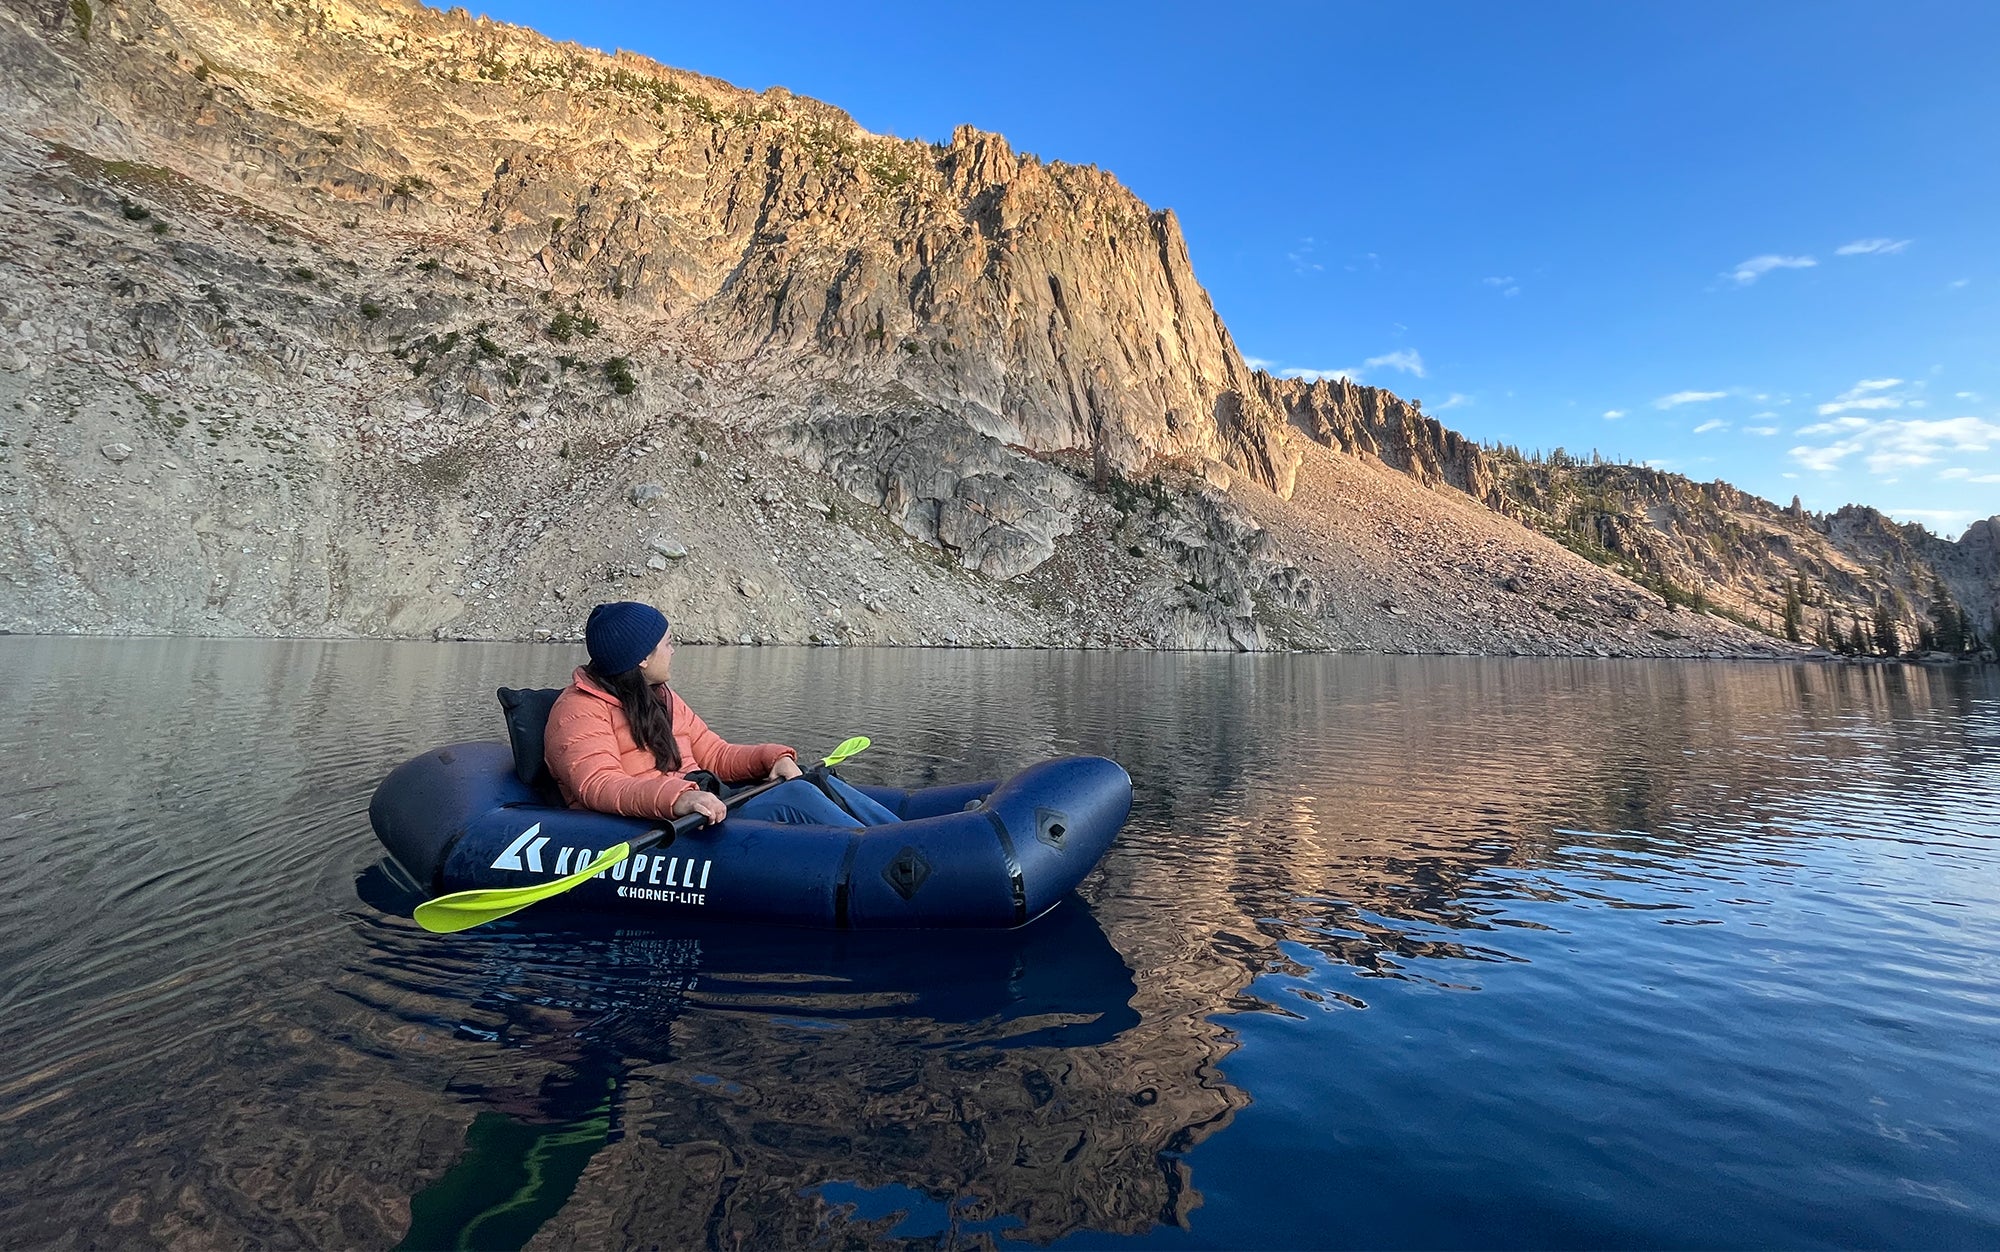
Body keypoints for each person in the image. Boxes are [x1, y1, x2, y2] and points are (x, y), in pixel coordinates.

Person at [544, 601, 898, 827]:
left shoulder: (659, 697)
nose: (674, 649)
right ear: (642, 659)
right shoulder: (578, 711)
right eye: (668, 643)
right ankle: (887, 856)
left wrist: (770, 758)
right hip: (656, 819)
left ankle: (898, 838)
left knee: (811, 781)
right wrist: (679, 798)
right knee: (797, 798)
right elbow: (599, 786)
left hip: (699, 802)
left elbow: (713, 753)